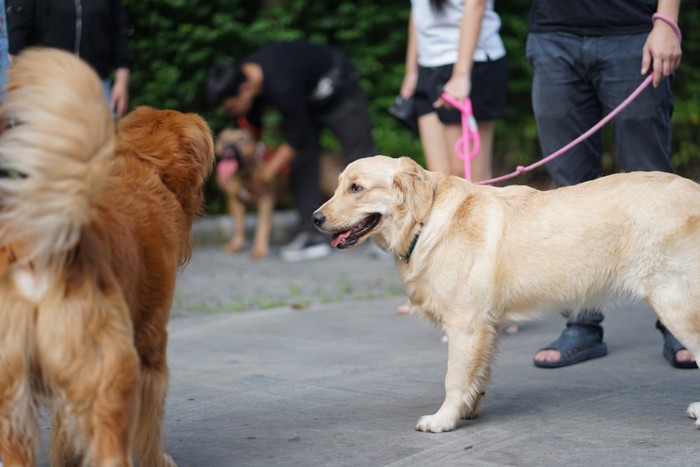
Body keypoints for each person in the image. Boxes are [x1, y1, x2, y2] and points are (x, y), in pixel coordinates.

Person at [526, 0, 693, 368]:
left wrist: (666, 21)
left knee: (653, 186)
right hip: (554, 35)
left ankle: (679, 325)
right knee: (568, 194)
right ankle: (582, 324)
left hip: (634, 31)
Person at [205, 40, 377, 263]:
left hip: (338, 86)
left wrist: (265, 174)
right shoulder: (245, 78)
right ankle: (310, 235)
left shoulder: (280, 82)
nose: (231, 113)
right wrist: (236, 168)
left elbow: (296, 137)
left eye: (231, 107)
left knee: (362, 157)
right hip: (307, 99)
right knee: (303, 158)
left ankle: (381, 228)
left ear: (244, 90)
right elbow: (253, 131)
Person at [396, 0, 508, 316]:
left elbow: (475, 7)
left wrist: (461, 74)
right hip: (431, 68)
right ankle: (442, 293)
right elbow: (417, 13)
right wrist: (411, 71)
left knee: (472, 189)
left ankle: (492, 302)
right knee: (437, 185)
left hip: (470, 64)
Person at [6, 0, 133, 118]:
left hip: (96, 84)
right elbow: (16, 42)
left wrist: (122, 80)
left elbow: (119, 30)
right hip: (47, 86)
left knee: (98, 138)